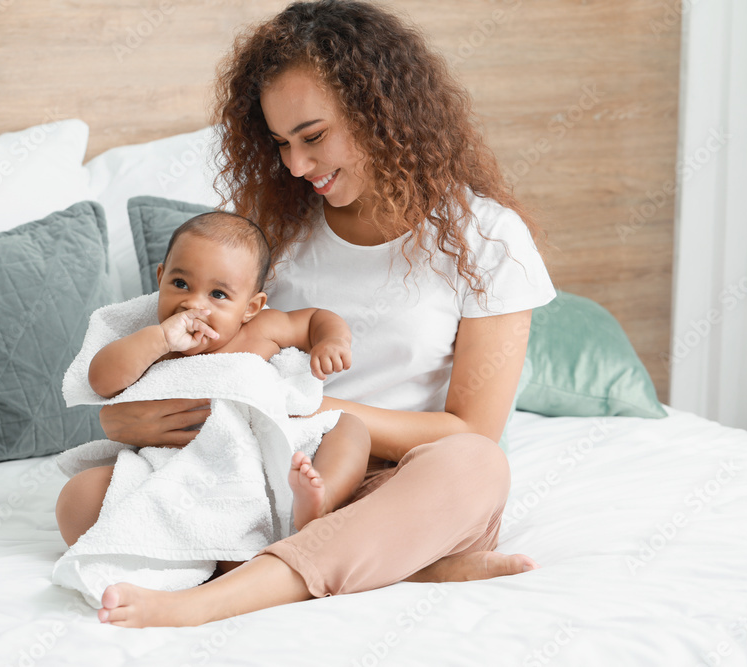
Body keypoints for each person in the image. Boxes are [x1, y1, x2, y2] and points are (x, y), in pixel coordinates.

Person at [82, 0, 557, 627]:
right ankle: (406, 566)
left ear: (383, 112)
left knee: (476, 467)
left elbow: (468, 430)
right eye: (280, 143)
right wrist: (130, 421)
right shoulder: (275, 224)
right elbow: (196, 353)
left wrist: (310, 410)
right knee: (87, 499)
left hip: (398, 483)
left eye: (313, 137)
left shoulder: (488, 240)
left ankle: (208, 601)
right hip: (269, 469)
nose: (297, 166)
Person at [55, 210, 372, 548]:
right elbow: (101, 380)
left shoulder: (261, 329)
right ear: (160, 278)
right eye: (180, 284)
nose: (193, 303)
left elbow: (314, 320)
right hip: (176, 470)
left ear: (251, 307)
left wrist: (332, 341)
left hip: (258, 468)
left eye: (218, 295)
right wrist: (160, 340)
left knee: (349, 428)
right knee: (77, 498)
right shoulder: (152, 342)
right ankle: (197, 545)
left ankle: (319, 500)